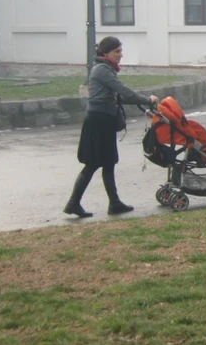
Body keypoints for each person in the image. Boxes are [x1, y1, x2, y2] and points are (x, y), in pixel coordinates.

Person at [64, 36, 159, 217]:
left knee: (108, 162)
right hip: (99, 121)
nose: (120, 55)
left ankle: (113, 203)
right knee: (94, 163)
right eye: (117, 51)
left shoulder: (105, 69)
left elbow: (118, 96)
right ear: (106, 53)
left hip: (102, 120)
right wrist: (147, 100)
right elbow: (123, 91)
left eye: (120, 51)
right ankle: (74, 203)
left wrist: (142, 103)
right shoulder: (102, 70)